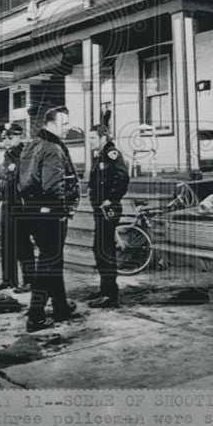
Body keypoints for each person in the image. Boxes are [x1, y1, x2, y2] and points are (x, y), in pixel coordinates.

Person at [17, 106, 81, 332]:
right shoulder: (52, 148)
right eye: (64, 124)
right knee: (48, 264)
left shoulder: (30, 145)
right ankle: (35, 315)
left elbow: (21, 181)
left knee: (53, 261)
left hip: (31, 212)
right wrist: (61, 211)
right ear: (51, 125)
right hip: (50, 214)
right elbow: (53, 186)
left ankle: (61, 306)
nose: (68, 129)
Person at [87, 122, 129, 308]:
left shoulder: (112, 153)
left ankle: (110, 295)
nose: (90, 142)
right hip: (100, 209)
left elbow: (123, 177)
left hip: (108, 209)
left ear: (104, 138)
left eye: (93, 138)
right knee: (100, 249)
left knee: (104, 250)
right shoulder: (100, 156)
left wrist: (111, 198)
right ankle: (106, 290)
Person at [0, 122, 34, 291]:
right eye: (4, 139)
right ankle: (8, 280)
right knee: (6, 244)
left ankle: (29, 281)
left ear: (19, 136)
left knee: (23, 244)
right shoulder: (8, 155)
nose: (6, 141)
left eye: (10, 137)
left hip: (20, 206)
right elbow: (4, 180)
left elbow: (28, 182)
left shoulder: (26, 155)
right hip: (7, 205)